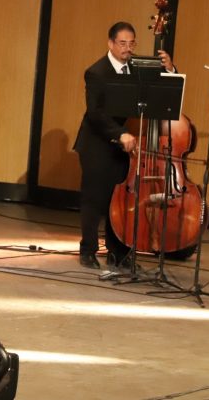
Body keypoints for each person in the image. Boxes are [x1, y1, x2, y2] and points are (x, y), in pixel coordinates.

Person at [73, 21, 174, 269]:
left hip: (123, 143)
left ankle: (118, 252)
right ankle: (87, 250)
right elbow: (95, 114)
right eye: (122, 43)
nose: (127, 48)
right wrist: (120, 134)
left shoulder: (136, 67)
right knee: (95, 198)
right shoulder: (96, 72)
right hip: (96, 142)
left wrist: (170, 69)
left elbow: (163, 88)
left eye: (131, 44)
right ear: (110, 43)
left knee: (119, 199)